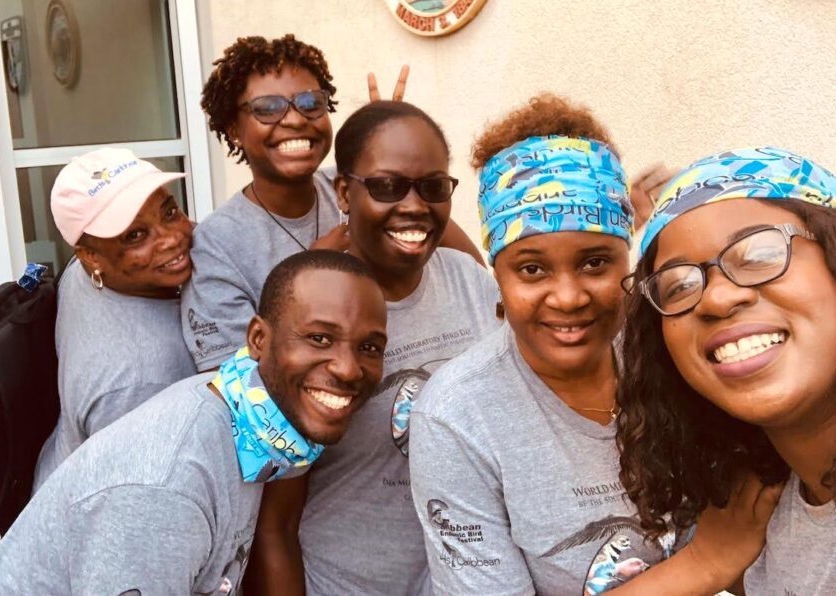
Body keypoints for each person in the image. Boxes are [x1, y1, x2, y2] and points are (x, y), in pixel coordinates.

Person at [408, 94, 783, 595]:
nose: (567, 297)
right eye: (532, 269)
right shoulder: (457, 418)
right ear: (495, 273)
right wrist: (707, 564)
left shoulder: (671, 348)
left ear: (627, 258)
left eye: (594, 263)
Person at [0, 250, 388, 595]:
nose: (350, 370)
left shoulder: (257, 429)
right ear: (258, 339)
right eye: (319, 338)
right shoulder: (167, 486)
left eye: (370, 346)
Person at [244, 101, 501, 595]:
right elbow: (274, 523)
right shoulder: (308, 313)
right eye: (386, 186)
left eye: (432, 187)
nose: (413, 206)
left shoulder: (471, 283)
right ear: (343, 191)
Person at [617, 147, 836, 594]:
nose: (716, 300)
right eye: (678, 285)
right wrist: (706, 561)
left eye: (758, 255)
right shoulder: (768, 509)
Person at [185, 34, 482, 372]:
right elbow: (237, 378)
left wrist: (392, 151)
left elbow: (471, 279)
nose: (295, 119)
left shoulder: (361, 184)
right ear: (233, 128)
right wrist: (311, 267)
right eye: (267, 108)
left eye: (310, 103)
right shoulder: (217, 244)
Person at [32, 148, 197, 489]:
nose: (172, 238)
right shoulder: (139, 383)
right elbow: (145, 508)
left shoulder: (87, 272)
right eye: (135, 235)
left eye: (169, 211)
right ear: (92, 256)